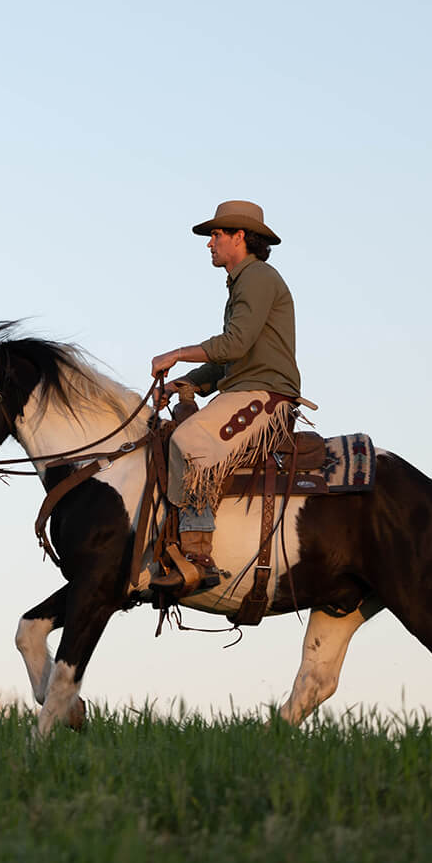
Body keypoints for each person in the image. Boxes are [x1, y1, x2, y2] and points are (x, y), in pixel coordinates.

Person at [144, 200, 301, 592]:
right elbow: (229, 360)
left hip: (266, 395)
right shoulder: (243, 282)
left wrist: (177, 354)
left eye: (216, 235)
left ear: (240, 237)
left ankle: (198, 555)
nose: (209, 243)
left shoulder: (258, 277)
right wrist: (185, 384)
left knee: (189, 440)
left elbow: (234, 344)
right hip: (245, 389)